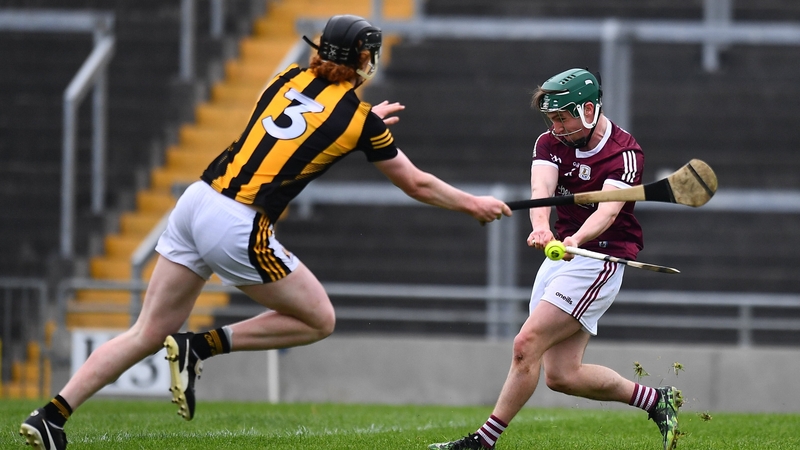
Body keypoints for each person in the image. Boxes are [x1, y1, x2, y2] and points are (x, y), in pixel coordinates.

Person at [19, 14, 511, 450]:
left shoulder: (287, 76)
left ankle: (52, 416)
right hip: (238, 221)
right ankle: (202, 345)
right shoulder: (358, 121)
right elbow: (417, 183)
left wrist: (363, 125)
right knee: (319, 319)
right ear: (363, 59)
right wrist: (473, 205)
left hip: (196, 201)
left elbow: (285, 127)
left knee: (146, 331)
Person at [428, 68, 682, 450]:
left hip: (600, 258)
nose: (556, 126)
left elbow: (607, 212)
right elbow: (541, 190)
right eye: (551, 118)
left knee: (525, 344)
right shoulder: (549, 142)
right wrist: (542, 228)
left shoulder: (625, 153)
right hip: (562, 255)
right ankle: (657, 401)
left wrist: (575, 237)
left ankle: (482, 442)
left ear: (589, 109)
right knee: (562, 375)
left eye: (563, 117)